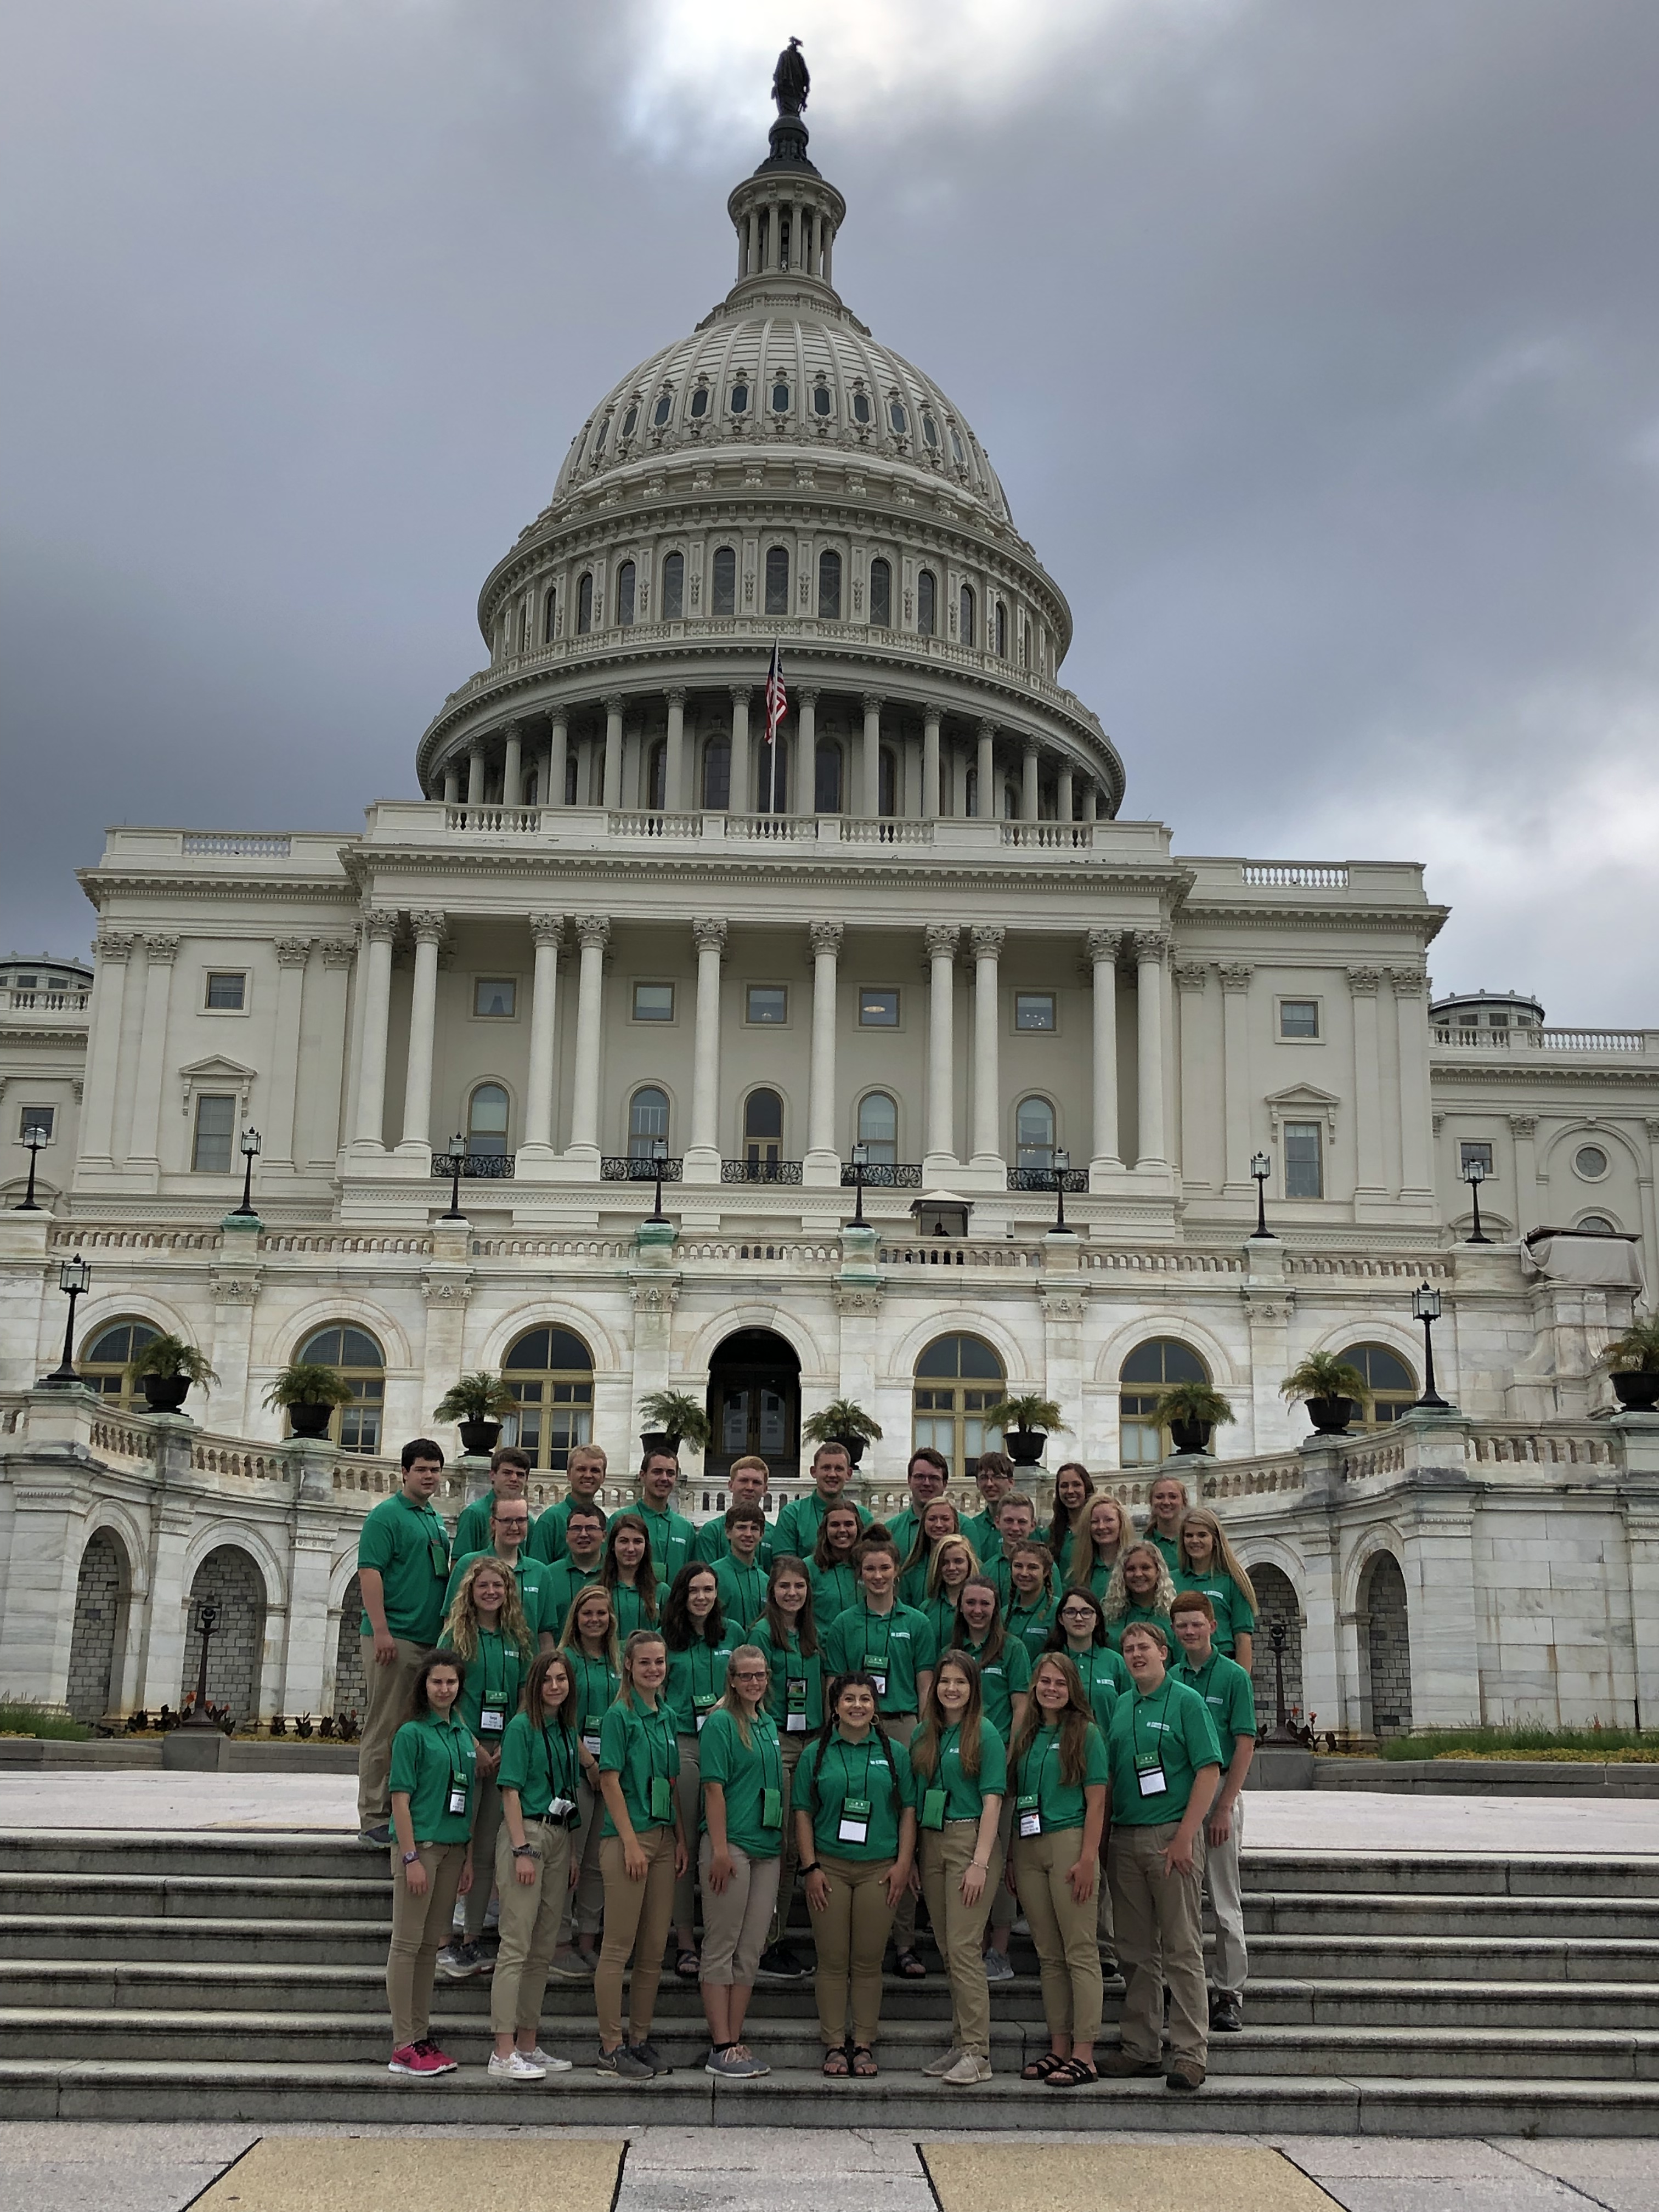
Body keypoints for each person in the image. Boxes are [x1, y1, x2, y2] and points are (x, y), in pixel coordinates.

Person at [1101, 1619, 1223, 2093]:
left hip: (1173, 1836)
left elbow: (1208, 1771)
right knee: (1135, 1951)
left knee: (1181, 1948)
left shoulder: (1187, 1703)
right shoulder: (1121, 1706)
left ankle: (1191, 2054)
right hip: (1126, 1839)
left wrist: (1186, 1836)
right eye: (1129, 1648)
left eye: (1144, 1647)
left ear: (1164, 1653)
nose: (1135, 1655)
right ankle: (1141, 2047)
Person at [822, 1532, 937, 1979]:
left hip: (903, 1724)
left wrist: (926, 1732)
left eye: (884, 1569)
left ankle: (904, 1941)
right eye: (869, 1569)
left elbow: (925, 1680)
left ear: (896, 1573)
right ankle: (848, 1936)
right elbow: (834, 1680)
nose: (877, 1576)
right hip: (852, 1724)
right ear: (859, 1575)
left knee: (903, 1827)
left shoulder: (918, 1622)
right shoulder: (844, 1624)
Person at [796, 1671, 916, 2076]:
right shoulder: (815, 1754)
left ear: (875, 1707)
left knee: (867, 1962)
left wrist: (903, 1863)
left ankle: (863, 2043)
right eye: (849, 1699)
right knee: (831, 1960)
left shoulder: (895, 1753)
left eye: (866, 1699)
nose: (858, 1706)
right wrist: (810, 1867)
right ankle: (834, 2044)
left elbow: (908, 1812)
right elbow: (803, 1814)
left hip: (879, 1870)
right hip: (828, 1867)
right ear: (834, 1707)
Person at [1008, 1652, 1110, 2089]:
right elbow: (1017, 1797)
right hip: (1030, 1846)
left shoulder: (1085, 1733)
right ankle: (1060, 2046)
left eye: (1060, 1684)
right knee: (1049, 1957)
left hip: (1069, 1842)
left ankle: (1085, 2054)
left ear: (1072, 1690)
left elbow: (1097, 1801)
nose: (1051, 1689)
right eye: (1045, 1682)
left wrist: (1088, 1858)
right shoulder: (1027, 1735)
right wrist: (1012, 1856)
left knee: (1080, 1952)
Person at [595, 1628, 689, 2078]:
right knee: (618, 1947)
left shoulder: (667, 1716)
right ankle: (611, 2046)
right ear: (628, 1666)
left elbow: (670, 1785)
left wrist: (681, 1839)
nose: (654, 1669)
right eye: (645, 1662)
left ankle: (640, 2037)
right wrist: (631, 1840)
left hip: (665, 1840)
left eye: (660, 1661)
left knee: (653, 1949)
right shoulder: (620, 1716)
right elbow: (609, 1780)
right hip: (627, 1839)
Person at [436, 1557, 535, 1976]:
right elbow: (444, 1698)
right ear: (471, 1591)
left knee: (483, 1851)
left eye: (498, 1585)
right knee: (453, 1843)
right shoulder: (456, 1635)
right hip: (460, 1746)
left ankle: (473, 1937)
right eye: (483, 1586)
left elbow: (521, 1698)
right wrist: (474, 1746)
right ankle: (444, 1937)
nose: (491, 1592)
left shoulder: (518, 1638)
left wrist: (506, 1748)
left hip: (502, 1752)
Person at [911, 1652, 1006, 2084]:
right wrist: (912, 1858)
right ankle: (961, 2041)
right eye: (945, 1681)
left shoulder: (984, 1733)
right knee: (949, 1950)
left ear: (973, 1689)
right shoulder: (924, 1734)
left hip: (970, 1840)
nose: (951, 1689)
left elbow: (992, 1802)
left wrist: (980, 1863)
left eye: (960, 1683)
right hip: (932, 1842)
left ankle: (978, 2053)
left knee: (965, 1948)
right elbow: (914, 1803)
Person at [487, 1649, 582, 2079]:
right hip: (527, 1831)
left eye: (562, 1679)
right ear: (535, 1684)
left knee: (544, 1947)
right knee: (516, 1945)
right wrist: (522, 1849)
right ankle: (503, 2051)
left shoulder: (565, 1729)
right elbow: (509, 1791)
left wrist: (573, 1849)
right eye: (548, 1679)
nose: (556, 1686)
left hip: (559, 1835)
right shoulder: (523, 1727)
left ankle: (528, 2042)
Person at [357, 1440, 452, 1845]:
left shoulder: (433, 1518)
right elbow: (370, 1572)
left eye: (435, 1470)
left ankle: (404, 1813)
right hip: (394, 1638)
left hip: (426, 1641)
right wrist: (381, 1630)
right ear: (404, 1473)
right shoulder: (386, 1517)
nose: (429, 1476)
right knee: (386, 1727)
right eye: (422, 1470)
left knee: (413, 1731)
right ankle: (373, 1816)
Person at [386, 1647, 476, 2075]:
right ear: (424, 1686)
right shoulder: (411, 1734)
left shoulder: (460, 1732)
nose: (444, 1689)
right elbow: (399, 1800)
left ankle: (421, 2036)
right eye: (437, 1682)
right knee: (406, 1944)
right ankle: (403, 2042)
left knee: (429, 1947)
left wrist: (470, 1857)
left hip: (454, 1848)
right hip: (420, 1847)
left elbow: (467, 1799)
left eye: (451, 1682)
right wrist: (410, 1857)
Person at [1172, 1589, 1256, 2034]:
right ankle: (1184, 1987)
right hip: (1181, 1794)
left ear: (1213, 1626)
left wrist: (1225, 1806)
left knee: (1224, 1899)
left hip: (1220, 1789)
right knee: (1181, 1901)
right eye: (1182, 1625)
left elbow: (1245, 1744)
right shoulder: (1170, 1677)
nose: (1189, 1631)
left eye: (1196, 1623)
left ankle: (1229, 1992)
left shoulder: (1232, 1677)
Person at [698, 1644, 785, 2076]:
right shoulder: (720, 1723)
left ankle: (735, 2041)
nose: (755, 1682)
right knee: (722, 1946)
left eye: (761, 1675)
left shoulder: (767, 1722)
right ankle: (721, 2044)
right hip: (731, 1846)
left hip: (767, 1849)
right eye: (746, 1676)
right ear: (731, 1678)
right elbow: (713, 1788)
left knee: (750, 1950)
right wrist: (717, 1849)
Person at [951, 1575, 1031, 1983]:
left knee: (994, 1856)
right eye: (971, 1603)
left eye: (985, 1603)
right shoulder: (954, 1649)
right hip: (958, 1766)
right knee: (966, 1855)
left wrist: (1010, 1755)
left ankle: (998, 1950)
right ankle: (972, 1945)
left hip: (996, 1764)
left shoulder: (1012, 1649)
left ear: (995, 1608)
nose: (977, 1610)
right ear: (961, 1606)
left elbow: (1020, 1708)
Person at [748, 1555, 822, 1980]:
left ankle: (773, 1935)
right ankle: (766, 1940)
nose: (792, 1593)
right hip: (777, 1742)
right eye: (784, 1587)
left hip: (811, 1740)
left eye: (799, 1586)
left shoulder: (812, 1634)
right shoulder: (761, 1634)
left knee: (798, 1846)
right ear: (771, 1591)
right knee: (778, 1843)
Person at [663, 1563, 734, 1980]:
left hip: (725, 1743)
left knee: (724, 1842)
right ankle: (686, 1941)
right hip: (685, 1742)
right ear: (682, 1595)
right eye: (694, 1591)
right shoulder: (669, 1640)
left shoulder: (731, 1634)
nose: (702, 1598)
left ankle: (719, 1937)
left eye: (708, 1590)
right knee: (685, 1845)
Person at [554, 1584, 620, 1978]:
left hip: (609, 1774)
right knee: (570, 1861)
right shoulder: (566, 1659)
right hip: (576, 1772)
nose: (594, 1620)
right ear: (576, 1618)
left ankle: (587, 1940)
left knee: (597, 1861)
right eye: (587, 1614)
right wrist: (590, 1765)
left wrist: (608, 1767)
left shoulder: (617, 1659)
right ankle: (560, 1941)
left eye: (601, 1614)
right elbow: (562, 1718)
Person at [444, 1492, 554, 1650]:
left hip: (528, 1669)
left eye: (521, 1520)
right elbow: (450, 1621)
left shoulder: (541, 1572)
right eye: (507, 1521)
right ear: (493, 1523)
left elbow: (545, 1634)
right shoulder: (468, 1564)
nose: (514, 1527)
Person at [1173, 1507, 1258, 1672]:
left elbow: (1242, 1638)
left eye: (1202, 1535)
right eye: (1189, 1535)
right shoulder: (1172, 1580)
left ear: (1215, 1539)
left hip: (1222, 1666)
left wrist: (1242, 1683)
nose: (1194, 1540)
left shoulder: (1232, 1580)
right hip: (1181, 1668)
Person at [1046, 1588, 1131, 1731]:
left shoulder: (1115, 1662)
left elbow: (1129, 1711)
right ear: (1061, 1619)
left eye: (1086, 1612)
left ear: (1097, 1619)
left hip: (1106, 1749)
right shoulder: (1047, 1661)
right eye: (1071, 1612)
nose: (1079, 1618)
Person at [774, 1441, 871, 1559]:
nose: (832, 1474)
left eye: (839, 1469)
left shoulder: (864, 1517)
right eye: (826, 1468)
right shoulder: (792, 1514)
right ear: (813, 1472)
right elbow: (784, 1564)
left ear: (849, 1473)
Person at [528, 1442, 610, 1564]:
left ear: (603, 1477)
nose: (588, 1475)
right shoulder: (550, 1520)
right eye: (581, 1469)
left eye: (595, 1470)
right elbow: (538, 1571)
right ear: (569, 1474)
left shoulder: (607, 1522)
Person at [453, 1443, 535, 1559]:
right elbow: (459, 1563)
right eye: (507, 1473)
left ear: (527, 1479)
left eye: (520, 1474)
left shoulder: (529, 1521)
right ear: (492, 1475)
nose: (514, 1479)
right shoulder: (474, 1515)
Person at [694, 1455, 775, 1570]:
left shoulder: (774, 1534)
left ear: (765, 1490)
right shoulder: (712, 1531)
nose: (750, 1487)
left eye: (756, 1483)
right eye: (744, 1481)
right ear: (731, 1486)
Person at [540, 1501, 607, 1634]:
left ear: (604, 1536)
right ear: (566, 1536)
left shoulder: (616, 1573)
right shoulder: (548, 1576)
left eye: (591, 1528)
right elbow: (543, 1631)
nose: (583, 1534)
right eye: (576, 1528)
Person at [635, 1446, 699, 1587]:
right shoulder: (620, 1519)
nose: (664, 1478)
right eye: (657, 1472)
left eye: (670, 1473)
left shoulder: (686, 1528)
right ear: (643, 1475)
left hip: (675, 1606)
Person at [1102, 1541, 1178, 1652]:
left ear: (1158, 1572)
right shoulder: (1109, 1614)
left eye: (1145, 1568)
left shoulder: (1172, 1616)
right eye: (1131, 1569)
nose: (1138, 1574)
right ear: (1122, 1574)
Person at [884, 1446, 950, 1567]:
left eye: (934, 1478)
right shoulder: (891, 1530)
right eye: (920, 1477)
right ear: (909, 1480)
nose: (926, 1483)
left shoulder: (964, 1526)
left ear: (945, 1484)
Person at [600, 1511, 663, 1636]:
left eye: (638, 1542)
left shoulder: (662, 1592)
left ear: (646, 1546)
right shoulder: (596, 1589)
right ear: (613, 1546)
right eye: (624, 1541)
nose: (630, 1549)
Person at [710, 1502, 769, 1630]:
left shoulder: (767, 1581)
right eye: (742, 1527)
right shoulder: (713, 1575)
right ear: (728, 1532)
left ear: (762, 1535)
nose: (748, 1534)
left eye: (754, 1528)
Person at [915, 1531, 978, 1649]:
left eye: (958, 1561)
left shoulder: (981, 1607)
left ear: (970, 1563)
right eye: (945, 1563)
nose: (952, 1568)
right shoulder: (926, 1609)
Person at [899, 1497, 964, 1609]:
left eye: (945, 1519)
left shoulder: (970, 1567)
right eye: (932, 1519)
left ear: (955, 1522)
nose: (939, 1525)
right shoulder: (910, 1571)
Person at [807, 1500, 864, 1626]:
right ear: (825, 1530)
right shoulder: (808, 1568)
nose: (842, 1530)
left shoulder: (869, 1567)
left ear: (858, 1528)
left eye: (849, 1524)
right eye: (835, 1525)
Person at [1066, 1494, 1130, 1601]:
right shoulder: (1078, 1573)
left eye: (1109, 1520)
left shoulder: (1133, 1567)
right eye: (1095, 1522)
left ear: (1121, 1523)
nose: (1101, 1527)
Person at [1005, 1539, 1059, 1658]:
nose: (1024, 1573)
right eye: (1018, 1566)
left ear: (1046, 1572)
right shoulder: (1004, 1614)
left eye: (1032, 1567)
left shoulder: (1058, 1610)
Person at [961, 1449, 1014, 1562]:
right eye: (984, 1478)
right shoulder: (972, 1527)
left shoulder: (1025, 1528)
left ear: (1011, 1482)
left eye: (997, 1477)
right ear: (977, 1483)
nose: (990, 1484)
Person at [1046, 1463, 1095, 1578]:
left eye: (1076, 1485)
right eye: (1064, 1486)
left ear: (1086, 1488)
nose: (1070, 1491)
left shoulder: (1099, 1530)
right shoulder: (1049, 1535)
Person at [1144, 1474, 1190, 1572]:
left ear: (1184, 1502)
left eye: (1173, 1497)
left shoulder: (1193, 1541)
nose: (1166, 1502)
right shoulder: (1143, 1544)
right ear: (1151, 1502)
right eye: (1159, 1497)